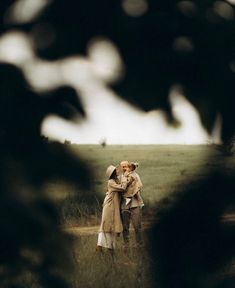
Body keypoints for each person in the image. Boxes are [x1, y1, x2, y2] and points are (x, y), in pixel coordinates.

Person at [96, 165, 133, 256]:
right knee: (106, 227)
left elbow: (124, 184)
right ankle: (101, 247)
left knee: (111, 227)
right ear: (112, 173)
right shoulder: (111, 182)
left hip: (113, 206)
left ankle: (110, 248)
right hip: (109, 206)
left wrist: (128, 179)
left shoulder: (116, 181)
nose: (117, 170)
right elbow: (123, 188)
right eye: (115, 170)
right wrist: (125, 178)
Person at [120, 160, 144, 249]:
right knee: (125, 227)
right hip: (124, 205)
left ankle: (139, 244)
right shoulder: (119, 177)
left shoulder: (135, 175)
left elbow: (139, 187)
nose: (124, 168)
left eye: (126, 166)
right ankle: (126, 245)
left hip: (135, 204)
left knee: (137, 225)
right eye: (122, 167)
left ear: (129, 167)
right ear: (121, 167)